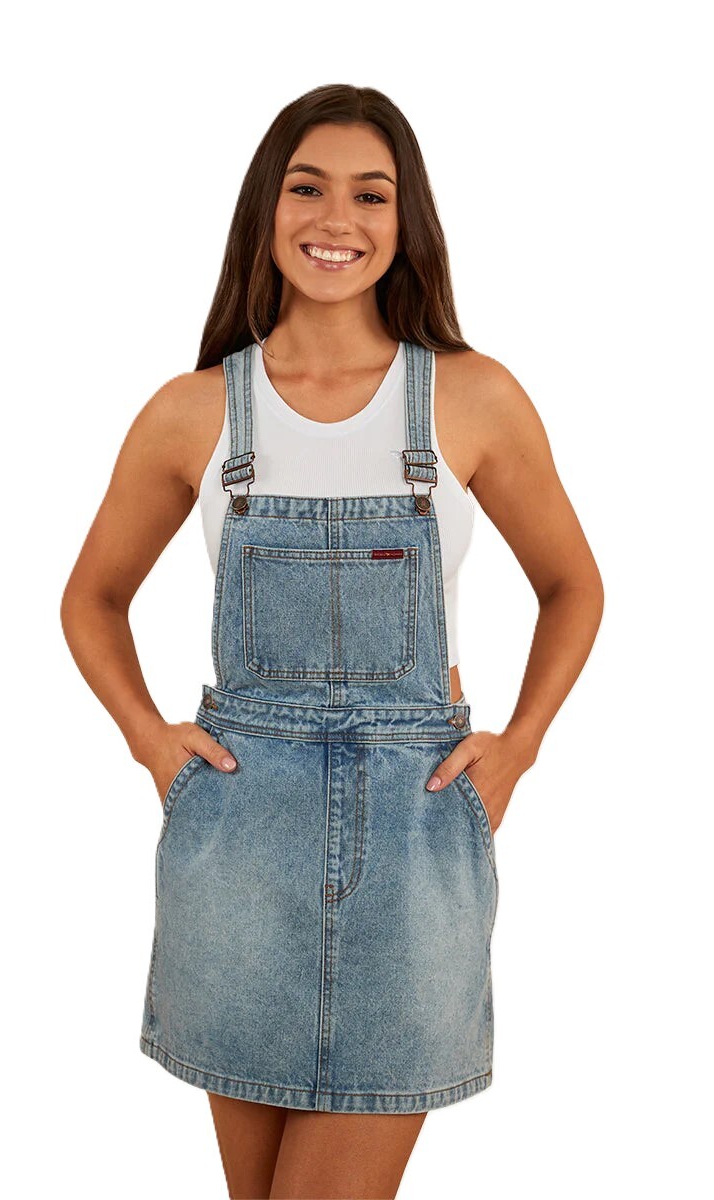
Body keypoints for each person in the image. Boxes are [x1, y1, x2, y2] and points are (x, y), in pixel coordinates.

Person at [61, 84, 604, 1200]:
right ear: (267, 207)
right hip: (239, 844)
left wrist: (521, 745)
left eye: (371, 195)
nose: (336, 219)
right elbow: (92, 598)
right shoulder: (193, 411)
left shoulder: (472, 398)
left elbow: (572, 586)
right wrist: (148, 740)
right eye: (307, 188)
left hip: (413, 843)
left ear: (406, 222)